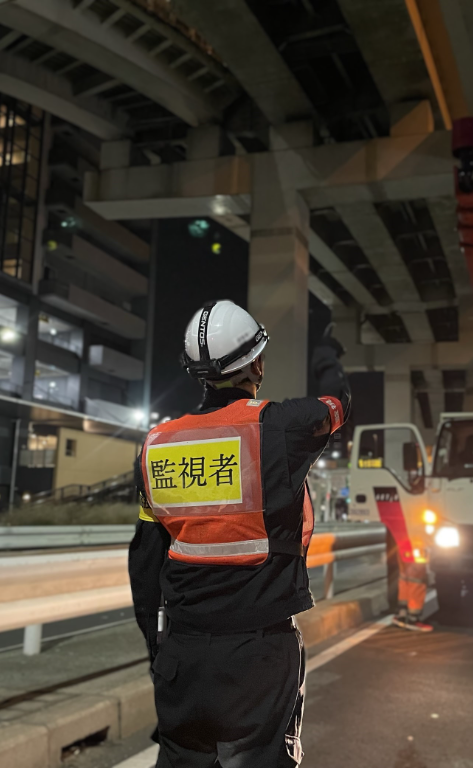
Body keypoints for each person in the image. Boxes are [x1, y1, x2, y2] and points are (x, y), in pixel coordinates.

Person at [129, 299, 350, 767]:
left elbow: (146, 559)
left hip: (183, 651)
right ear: (257, 363)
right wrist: (327, 350)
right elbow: (339, 401)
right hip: (258, 653)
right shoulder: (281, 427)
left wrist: (158, 651)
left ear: (196, 372)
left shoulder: (156, 444)